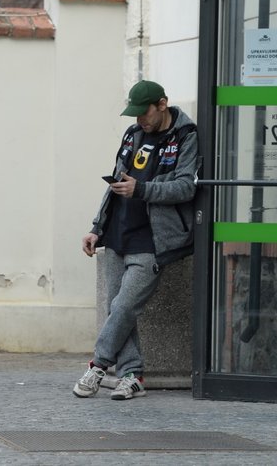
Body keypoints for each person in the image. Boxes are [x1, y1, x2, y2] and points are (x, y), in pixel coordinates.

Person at [74, 80, 198, 401]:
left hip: (153, 239)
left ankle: (99, 365)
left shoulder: (186, 136)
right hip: (117, 232)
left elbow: (186, 187)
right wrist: (96, 227)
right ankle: (132, 375)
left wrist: (141, 189)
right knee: (119, 308)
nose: (139, 119)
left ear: (162, 104)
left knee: (125, 305)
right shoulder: (133, 135)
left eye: (144, 113)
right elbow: (115, 183)